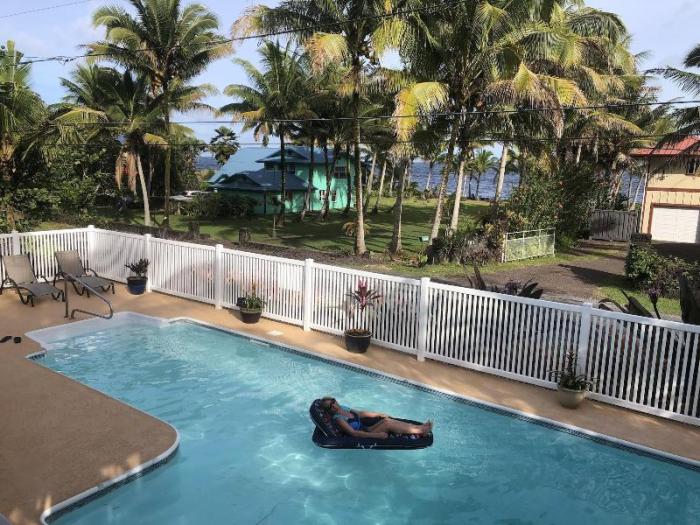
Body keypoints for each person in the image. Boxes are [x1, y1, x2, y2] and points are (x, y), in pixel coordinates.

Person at [320, 397, 432, 439]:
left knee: (386, 420)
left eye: (333, 401)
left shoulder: (343, 408)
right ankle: (421, 431)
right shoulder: (339, 419)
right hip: (364, 435)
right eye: (330, 406)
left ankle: (418, 427)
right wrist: (377, 436)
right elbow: (354, 433)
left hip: (366, 429)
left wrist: (378, 414)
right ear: (329, 410)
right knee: (388, 424)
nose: (334, 405)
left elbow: (360, 413)